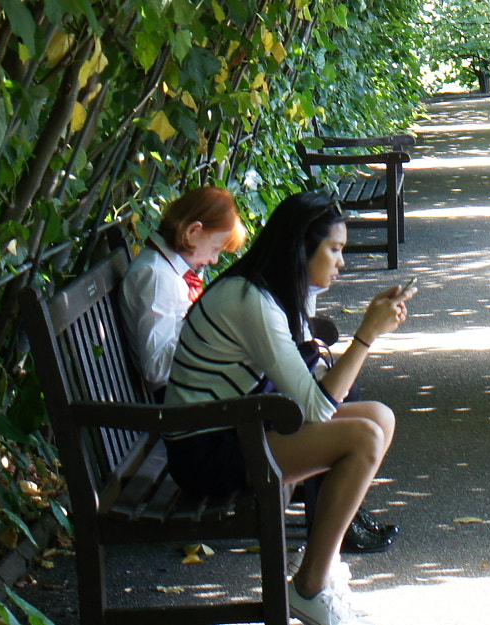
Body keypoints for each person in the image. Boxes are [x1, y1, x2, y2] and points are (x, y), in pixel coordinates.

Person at [164, 191, 412, 625]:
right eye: (334, 250)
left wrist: (362, 336)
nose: (341, 263)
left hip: (238, 427)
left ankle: (319, 572)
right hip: (206, 450)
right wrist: (366, 336)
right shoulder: (252, 300)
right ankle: (308, 589)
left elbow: (312, 388)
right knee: (364, 436)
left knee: (380, 418)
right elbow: (316, 408)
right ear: (302, 249)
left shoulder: (280, 290)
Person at [120, 187, 247, 392]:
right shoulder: (157, 276)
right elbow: (155, 370)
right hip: (175, 399)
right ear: (192, 232)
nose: (214, 260)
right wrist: (206, 329)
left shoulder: (171, 272)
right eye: (215, 249)